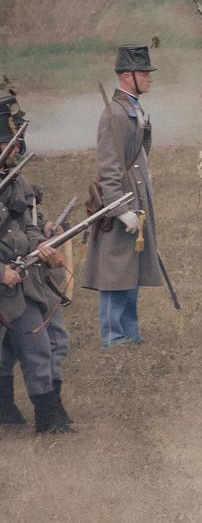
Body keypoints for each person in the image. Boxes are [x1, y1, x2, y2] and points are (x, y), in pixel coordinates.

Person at [80, 45, 165, 348]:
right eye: (144, 73)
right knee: (115, 270)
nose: (149, 78)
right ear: (128, 76)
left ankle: (130, 333)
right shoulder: (114, 113)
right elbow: (108, 168)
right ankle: (112, 338)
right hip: (122, 201)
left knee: (131, 267)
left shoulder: (131, 107)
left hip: (136, 196)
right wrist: (120, 209)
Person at [0, 93, 71, 433]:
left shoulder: (14, 181)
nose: (15, 149)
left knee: (38, 344)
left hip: (19, 281)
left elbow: (25, 226)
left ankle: (49, 419)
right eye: (9, 142)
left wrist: (40, 244)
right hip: (4, 278)